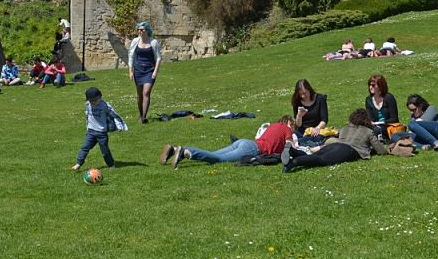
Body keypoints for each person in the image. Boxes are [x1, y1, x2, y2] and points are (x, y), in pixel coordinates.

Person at [281, 108, 388, 173]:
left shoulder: (345, 128)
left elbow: (337, 135)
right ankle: (293, 163)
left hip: (335, 145)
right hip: (348, 150)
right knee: (321, 160)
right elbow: (381, 150)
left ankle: (293, 152)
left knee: (315, 155)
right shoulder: (368, 131)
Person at [165, 115, 293, 169]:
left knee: (212, 155)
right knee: (218, 159)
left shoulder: (273, 126)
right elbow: (290, 145)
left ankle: (174, 150)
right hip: (253, 149)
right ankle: (185, 152)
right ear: (288, 123)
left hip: (245, 142)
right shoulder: (287, 129)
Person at [71, 87, 126, 171]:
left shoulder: (105, 106)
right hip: (91, 132)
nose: (93, 102)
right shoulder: (88, 105)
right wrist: (88, 125)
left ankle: (111, 165)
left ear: (100, 97)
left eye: (95, 100)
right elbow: (87, 116)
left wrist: (119, 126)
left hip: (102, 133)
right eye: (91, 100)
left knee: (105, 151)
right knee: (85, 147)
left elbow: (114, 115)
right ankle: (78, 163)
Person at [127, 21, 162, 124]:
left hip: (149, 70)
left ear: (147, 30)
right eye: (138, 29)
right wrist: (130, 71)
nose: (139, 31)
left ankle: (144, 118)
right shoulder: (135, 41)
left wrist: (155, 71)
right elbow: (131, 56)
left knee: (146, 93)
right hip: (138, 70)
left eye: (142, 30)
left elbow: (158, 58)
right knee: (139, 94)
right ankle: (141, 114)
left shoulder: (153, 42)